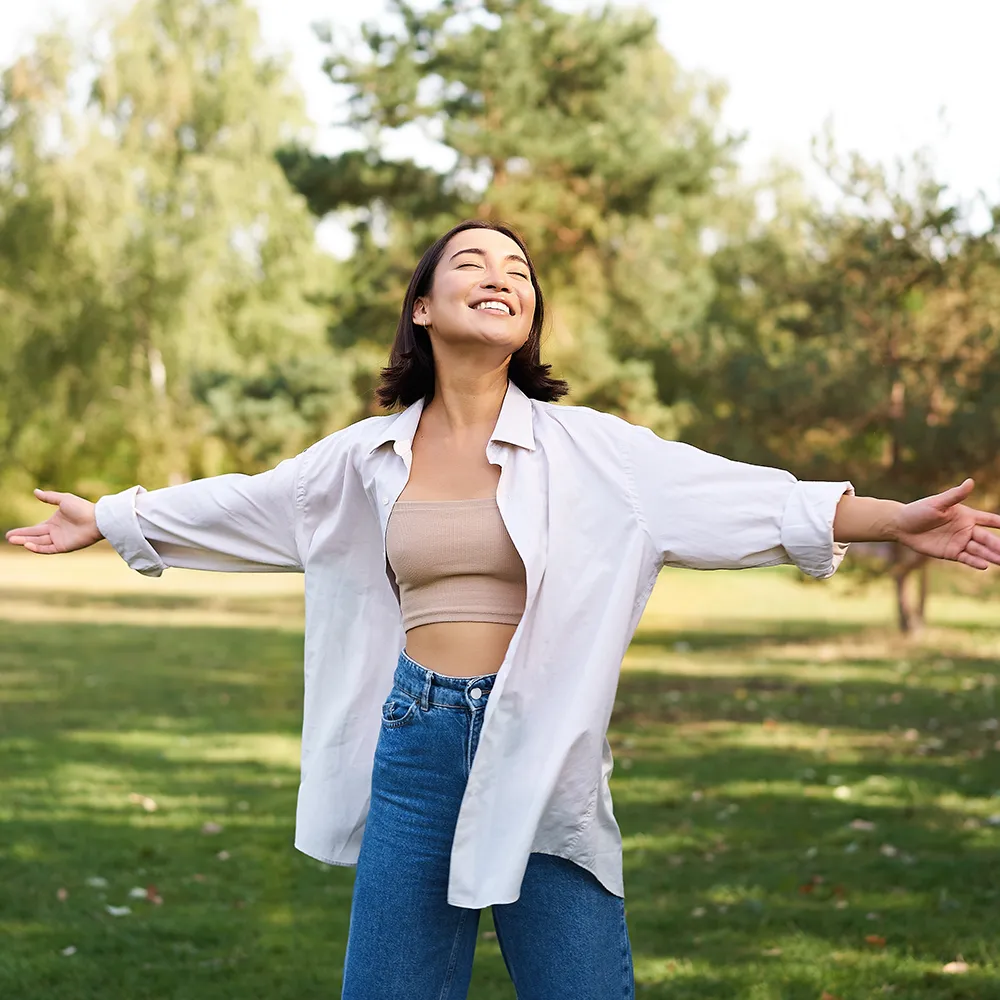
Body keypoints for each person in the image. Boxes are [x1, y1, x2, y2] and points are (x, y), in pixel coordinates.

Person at [7, 219, 1000, 999]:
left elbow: (742, 495)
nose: (503, 274)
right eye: (475, 261)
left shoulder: (594, 452)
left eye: (520, 270)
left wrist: (889, 520)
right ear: (425, 308)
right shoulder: (363, 457)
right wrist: (112, 515)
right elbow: (249, 499)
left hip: (541, 746)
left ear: (529, 317)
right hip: (415, 744)